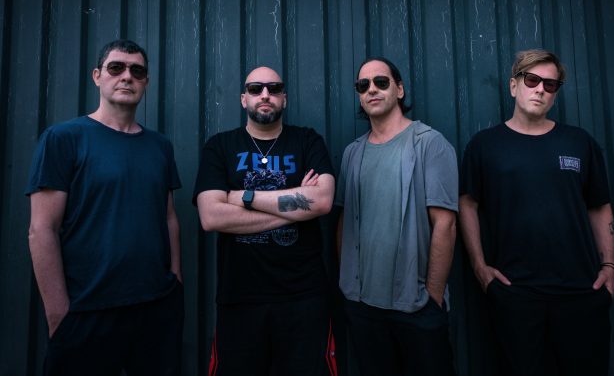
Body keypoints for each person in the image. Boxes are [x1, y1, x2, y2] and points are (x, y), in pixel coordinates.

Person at [26, 39, 184, 376]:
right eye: (116, 68)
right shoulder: (63, 138)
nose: (127, 76)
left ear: (146, 82)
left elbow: (169, 216)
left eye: (137, 71)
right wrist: (58, 315)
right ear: (97, 76)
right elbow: (41, 230)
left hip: (155, 308)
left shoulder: (160, 146)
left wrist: (175, 281)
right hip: (87, 311)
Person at [459, 49, 614, 376]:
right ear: (513, 85)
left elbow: (599, 206)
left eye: (550, 84)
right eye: (531, 80)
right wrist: (479, 267)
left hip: (581, 291)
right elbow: (468, 204)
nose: (540, 89)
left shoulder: (579, 143)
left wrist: (609, 268)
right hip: (515, 293)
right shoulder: (485, 145)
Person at [193, 66, 336, 376]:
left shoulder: (307, 141)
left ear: (284, 98)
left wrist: (244, 197)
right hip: (239, 297)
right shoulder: (220, 146)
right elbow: (211, 216)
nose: (265, 95)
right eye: (256, 89)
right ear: (243, 99)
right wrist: (295, 208)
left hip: (303, 297)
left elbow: (322, 201)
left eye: (274, 88)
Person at [335, 57, 458, 376]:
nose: (372, 89)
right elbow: (344, 222)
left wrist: (432, 297)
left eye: (381, 82)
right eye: (363, 85)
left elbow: (445, 224)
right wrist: (349, 285)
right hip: (363, 307)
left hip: (416, 307)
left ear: (399, 89)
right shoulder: (352, 153)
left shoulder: (429, 144)